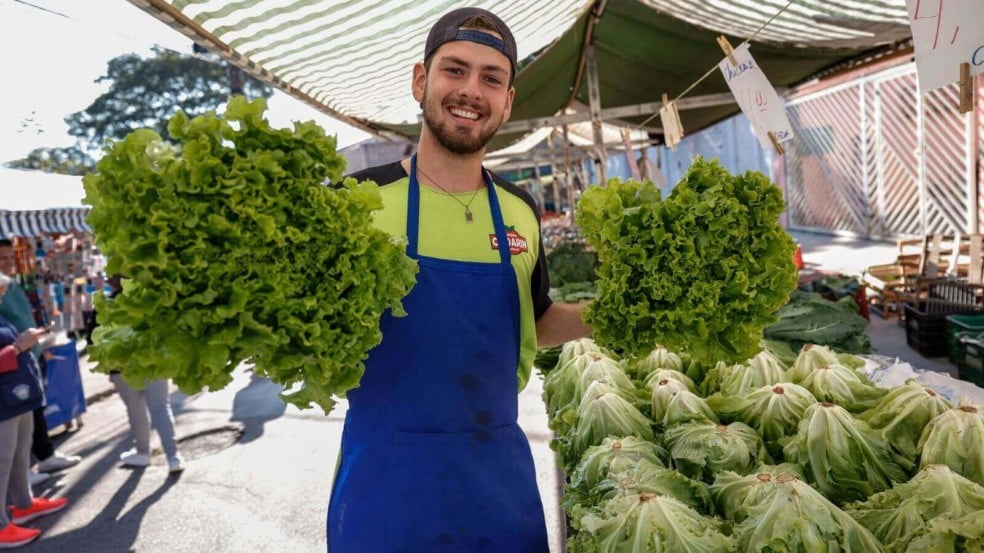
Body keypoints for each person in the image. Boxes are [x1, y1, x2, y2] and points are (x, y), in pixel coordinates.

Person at [326, 8, 591, 551]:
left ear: (507, 101)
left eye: (491, 78)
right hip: (384, 487)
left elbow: (536, 322)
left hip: (498, 484)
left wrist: (620, 313)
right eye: (455, 70)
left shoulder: (520, 211)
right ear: (420, 81)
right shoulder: (355, 203)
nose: (471, 90)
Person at [0, 240, 81, 484]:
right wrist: (19, 348)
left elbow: (22, 319)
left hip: (28, 356)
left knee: (34, 412)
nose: (8, 262)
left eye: (10, 257)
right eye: (3, 258)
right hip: (13, 363)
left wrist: (35, 347)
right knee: (16, 424)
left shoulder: (12, 284)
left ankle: (44, 457)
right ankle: (23, 475)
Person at [0, 273, 69, 548]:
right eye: (0, 290)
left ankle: (24, 504)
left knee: (19, 455)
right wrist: (19, 346)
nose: (3, 296)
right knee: (3, 461)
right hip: (4, 402)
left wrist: (24, 343)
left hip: (16, 399)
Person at [102, 277, 185, 473]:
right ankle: (173, 456)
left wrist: (110, 368)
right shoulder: (151, 298)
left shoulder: (108, 305)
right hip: (153, 363)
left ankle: (142, 453)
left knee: (136, 411)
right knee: (160, 408)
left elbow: (96, 340)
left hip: (123, 368)